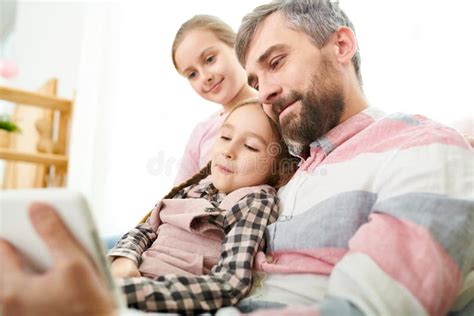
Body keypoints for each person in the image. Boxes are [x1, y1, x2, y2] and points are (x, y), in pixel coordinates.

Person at [1, 1, 474, 315]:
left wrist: (107, 304)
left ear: (341, 46)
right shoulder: (296, 162)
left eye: (275, 62)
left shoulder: (419, 147)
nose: (263, 90)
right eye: (255, 75)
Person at [106, 100, 297, 313]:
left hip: (160, 300)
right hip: (125, 279)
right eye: (225, 137)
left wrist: (135, 292)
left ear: (278, 168)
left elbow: (230, 283)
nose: (229, 151)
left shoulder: (255, 202)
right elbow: (147, 229)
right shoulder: (198, 187)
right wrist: (124, 260)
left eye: (250, 146)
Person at [171, 15, 256, 185]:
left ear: (237, 46)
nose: (205, 77)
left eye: (210, 59)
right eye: (192, 74)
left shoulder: (275, 108)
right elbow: (178, 194)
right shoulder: (202, 133)